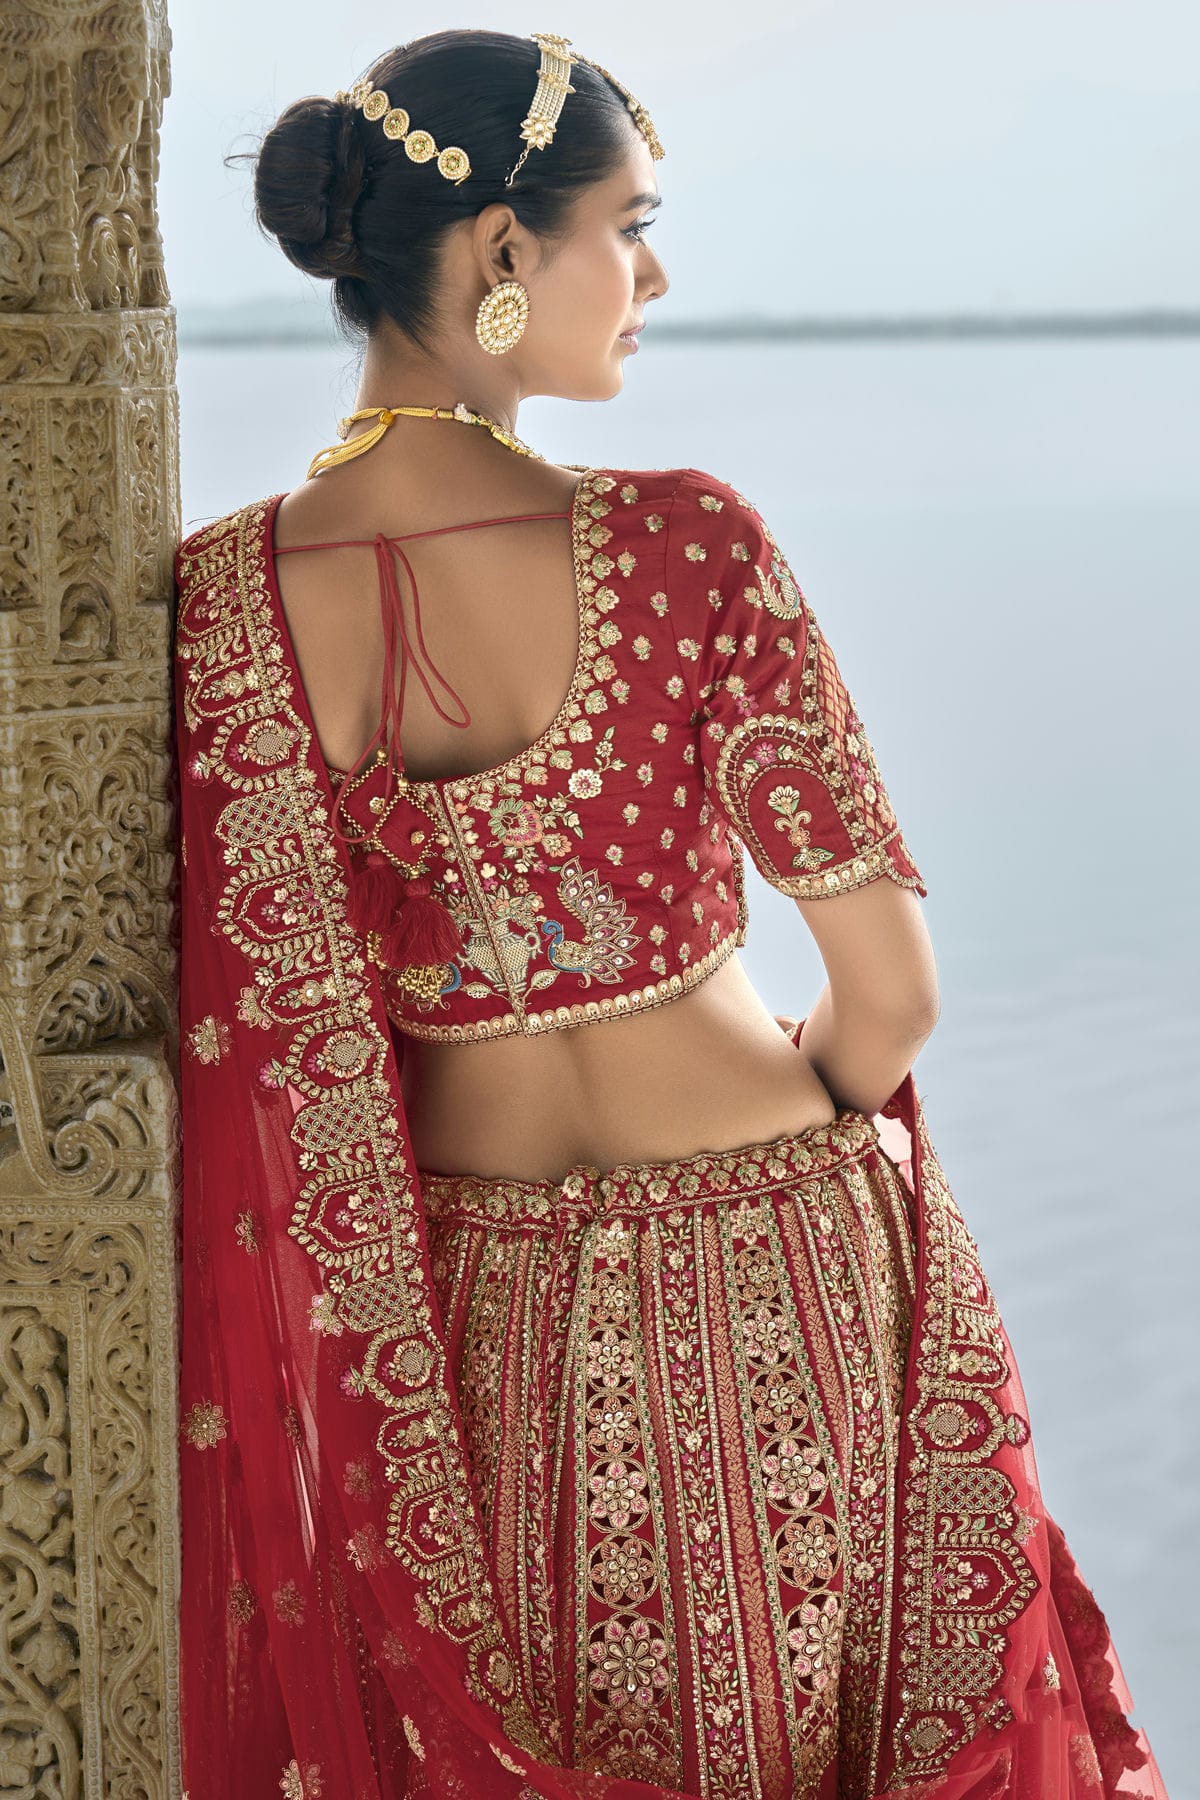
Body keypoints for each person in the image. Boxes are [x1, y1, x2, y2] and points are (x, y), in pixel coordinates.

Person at [171, 28, 1167, 1800]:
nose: (653, 277)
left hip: (473, 1349)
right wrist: (813, 1099)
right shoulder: (686, 545)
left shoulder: (225, 604)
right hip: (781, 1274)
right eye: (627, 228)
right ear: (502, 251)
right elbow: (893, 996)